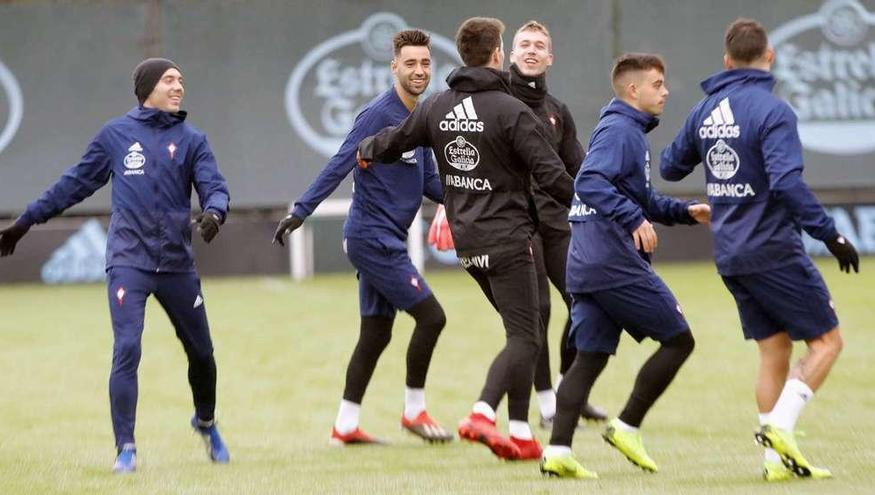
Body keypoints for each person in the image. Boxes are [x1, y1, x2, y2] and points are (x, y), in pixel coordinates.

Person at [0, 58, 231, 473]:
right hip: (129, 262)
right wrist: (24, 222)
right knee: (127, 348)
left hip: (177, 265)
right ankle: (126, 448)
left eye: (181, 79)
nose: (179, 86)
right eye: (169, 80)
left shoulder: (193, 139)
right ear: (148, 88)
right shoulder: (116, 136)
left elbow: (214, 186)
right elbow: (72, 185)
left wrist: (214, 212)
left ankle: (206, 422)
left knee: (203, 354)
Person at [358, 17, 573, 461]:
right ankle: (481, 413)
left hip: (468, 246)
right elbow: (552, 175)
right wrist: (597, 205)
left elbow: (394, 142)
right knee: (526, 336)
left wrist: (366, 148)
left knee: (524, 331)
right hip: (510, 240)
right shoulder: (511, 110)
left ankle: (520, 431)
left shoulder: (436, 106)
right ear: (498, 55)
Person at [660, 18, 859, 482]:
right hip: (773, 249)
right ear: (769, 58)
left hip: (730, 251)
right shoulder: (774, 111)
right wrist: (832, 235)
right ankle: (781, 431)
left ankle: (775, 463)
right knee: (828, 341)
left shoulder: (705, 110)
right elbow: (787, 181)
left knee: (774, 351)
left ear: (727, 62)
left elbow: (670, 165)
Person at [272, 29, 452, 445]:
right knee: (432, 317)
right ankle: (414, 411)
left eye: (425, 63)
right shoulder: (377, 115)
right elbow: (340, 162)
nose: (419, 70)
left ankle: (345, 426)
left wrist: (472, 195)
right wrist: (301, 211)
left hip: (385, 239)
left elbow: (430, 182)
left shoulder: (420, 117)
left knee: (376, 333)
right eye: (410, 63)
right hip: (372, 240)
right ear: (394, 67)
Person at [539, 53, 710, 479]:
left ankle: (558, 451)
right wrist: (633, 219)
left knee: (590, 357)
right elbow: (590, 181)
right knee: (679, 340)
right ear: (633, 90)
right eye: (657, 83)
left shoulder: (625, 130)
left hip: (587, 262)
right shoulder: (621, 131)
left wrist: (686, 212)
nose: (665, 91)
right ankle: (627, 425)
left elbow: (643, 200)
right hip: (612, 261)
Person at [507, 20, 607, 427]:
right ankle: (548, 405)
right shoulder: (497, 103)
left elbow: (578, 168)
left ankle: (570, 390)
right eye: (524, 45)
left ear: (550, 58)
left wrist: (608, 201)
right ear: (511, 55)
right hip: (515, 223)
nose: (531, 51)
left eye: (539, 46)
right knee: (538, 311)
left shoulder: (556, 112)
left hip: (558, 220)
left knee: (586, 301)